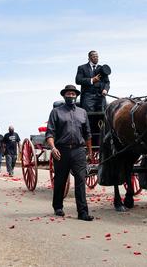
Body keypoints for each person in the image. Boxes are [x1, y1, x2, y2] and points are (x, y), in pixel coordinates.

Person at [45, 84, 94, 221]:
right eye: (68, 94)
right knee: (60, 179)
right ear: (64, 96)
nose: (71, 96)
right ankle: (58, 206)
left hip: (78, 150)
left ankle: (83, 212)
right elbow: (50, 133)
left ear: (76, 96)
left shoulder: (82, 112)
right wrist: (53, 148)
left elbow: (88, 134)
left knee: (80, 181)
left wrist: (89, 152)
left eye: (73, 94)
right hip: (61, 150)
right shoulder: (56, 112)